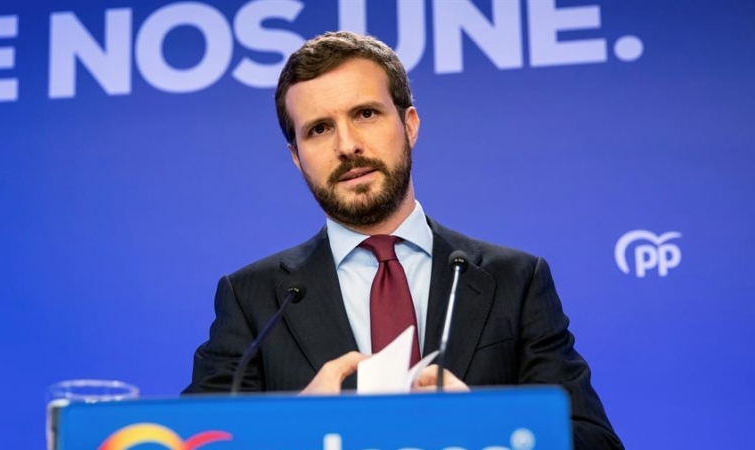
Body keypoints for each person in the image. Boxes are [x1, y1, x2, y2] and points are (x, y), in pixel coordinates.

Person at [185, 31, 623, 449]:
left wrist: (488, 426)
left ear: (409, 124)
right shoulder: (252, 299)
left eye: (366, 114)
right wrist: (295, 431)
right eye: (319, 129)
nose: (347, 145)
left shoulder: (516, 281)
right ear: (297, 159)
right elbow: (193, 440)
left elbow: (594, 441)